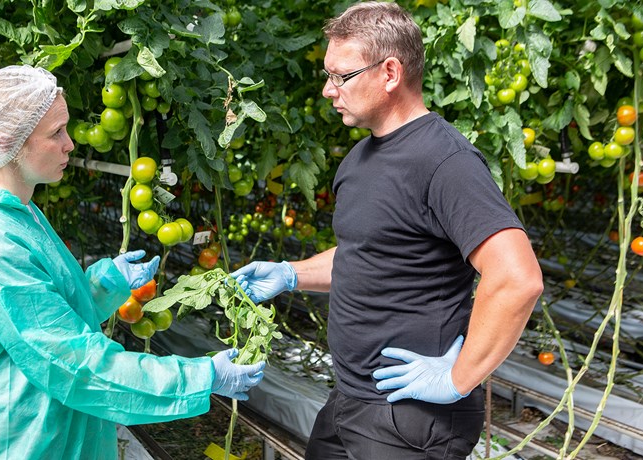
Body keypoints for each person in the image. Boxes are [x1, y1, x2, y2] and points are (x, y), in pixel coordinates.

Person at [0, 65, 265, 460]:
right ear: (9, 140)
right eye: (56, 133)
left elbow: (42, 315)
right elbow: (69, 360)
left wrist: (106, 284)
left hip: (51, 430)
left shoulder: (19, 212)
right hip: (17, 441)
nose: (70, 144)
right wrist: (199, 376)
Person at [231, 2, 543, 459]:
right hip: (351, 399)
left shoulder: (446, 163)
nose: (327, 89)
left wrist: (457, 379)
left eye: (340, 76)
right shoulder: (360, 159)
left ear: (390, 72)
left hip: (410, 417)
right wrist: (292, 272)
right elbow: (370, 254)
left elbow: (518, 279)